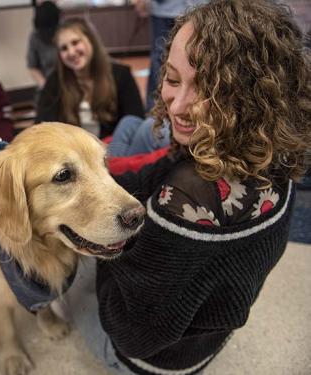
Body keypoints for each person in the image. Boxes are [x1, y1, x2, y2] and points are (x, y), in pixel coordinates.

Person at [63, 1, 311, 374]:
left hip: (156, 361)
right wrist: (104, 188)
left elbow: (132, 334)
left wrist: (103, 254)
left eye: (208, 89)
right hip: (207, 334)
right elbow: (157, 172)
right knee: (133, 127)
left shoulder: (183, 200)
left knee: (52, 254)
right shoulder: (271, 150)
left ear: (251, 93)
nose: (178, 105)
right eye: (173, 79)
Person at [35, 17, 145, 139]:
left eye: (75, 42)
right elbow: (42, 127)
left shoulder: (121, 74)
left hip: (116, 148)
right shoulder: (54, 82)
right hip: (73, 152)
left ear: (91, 40)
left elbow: (136, 121)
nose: (71, 52)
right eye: (64, 48)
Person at [136, 0, 206, 112]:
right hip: (163, 9)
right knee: (159, 59)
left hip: (202, 7)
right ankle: (153, 112)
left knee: (203, 57)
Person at [26, 1, 61, 91]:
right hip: (47, 86)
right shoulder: (35, 37)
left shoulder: (65, 32)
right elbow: (32, 67)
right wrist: (46, 87)